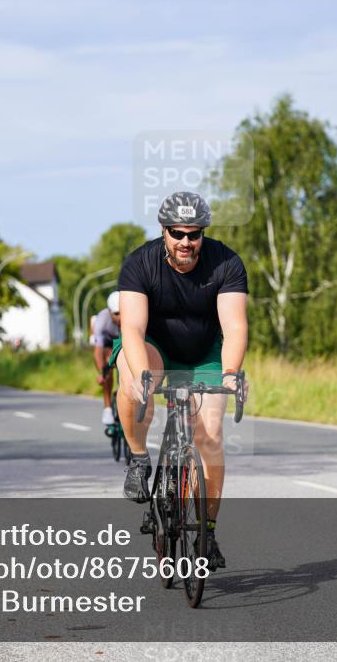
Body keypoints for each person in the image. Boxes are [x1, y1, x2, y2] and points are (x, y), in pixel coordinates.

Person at [108, 190, 248, 570]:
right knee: (133, 379)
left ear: (203, 233)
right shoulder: (140, 263)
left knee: (211, 434)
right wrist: (142, 377)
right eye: (177, 233)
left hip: (203, 353)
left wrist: (231, 373)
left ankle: (208, 530)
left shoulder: (226, 262)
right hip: (153, 346)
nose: (186, 242)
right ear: (164, 231)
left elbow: (234, 326)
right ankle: (138, 458)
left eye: (194, 234)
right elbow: (134, 329)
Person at [92, 291, 122, 426]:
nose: (120, 317)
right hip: (108, 344)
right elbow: (97, 351)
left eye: (122, 312)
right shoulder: (102, 321)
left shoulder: (132, 314)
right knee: (107, 367)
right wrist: (102, 372)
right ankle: (108, 408)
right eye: (116, 314)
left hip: (125, 342)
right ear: (109, 312)